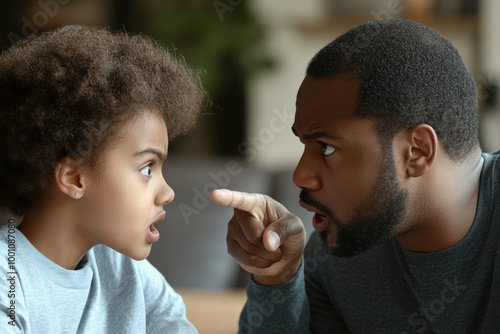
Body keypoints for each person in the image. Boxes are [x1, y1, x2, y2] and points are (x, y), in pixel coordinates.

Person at [211, 18, 500, 333]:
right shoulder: (336, 256)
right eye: (304, 144)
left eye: (326, 148)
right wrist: (276, 279)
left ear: (416, 151)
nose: (300, 176)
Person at [0, 25, 205, 333]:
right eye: (147, 168)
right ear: (74, 178)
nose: (168, 193)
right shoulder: (7, 278)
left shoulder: (126, 270)